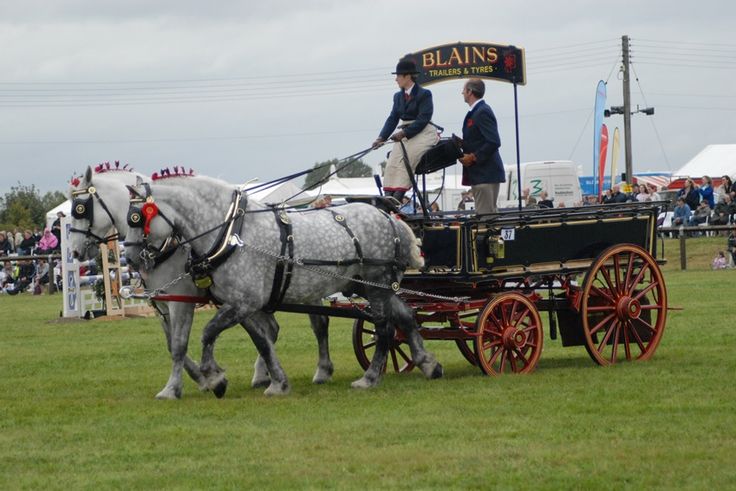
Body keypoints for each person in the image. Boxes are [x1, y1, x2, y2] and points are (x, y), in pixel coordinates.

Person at [372, 58, 438, 202]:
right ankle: (387, 201)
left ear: (407, 76)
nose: (396, 79)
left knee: (407, 162)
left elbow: (423, 119)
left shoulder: (424, 94)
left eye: (398, 76)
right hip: (404, 135)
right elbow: (393, 118)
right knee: (392, 164)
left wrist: (404, 133)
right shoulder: (397, 97)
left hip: (422, 133)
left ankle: (396, 200)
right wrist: (381, 138)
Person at [458, 78, 505, 214]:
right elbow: (482, 139)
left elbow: (494, 141)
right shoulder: (478, 111)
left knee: (485, 216)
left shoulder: (482, 111)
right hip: (482, 174)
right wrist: (462, 143)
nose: (462, 93)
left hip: (485, 173)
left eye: (464, 90)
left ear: (470, 92)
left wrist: (473, 157)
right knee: (487, 214)